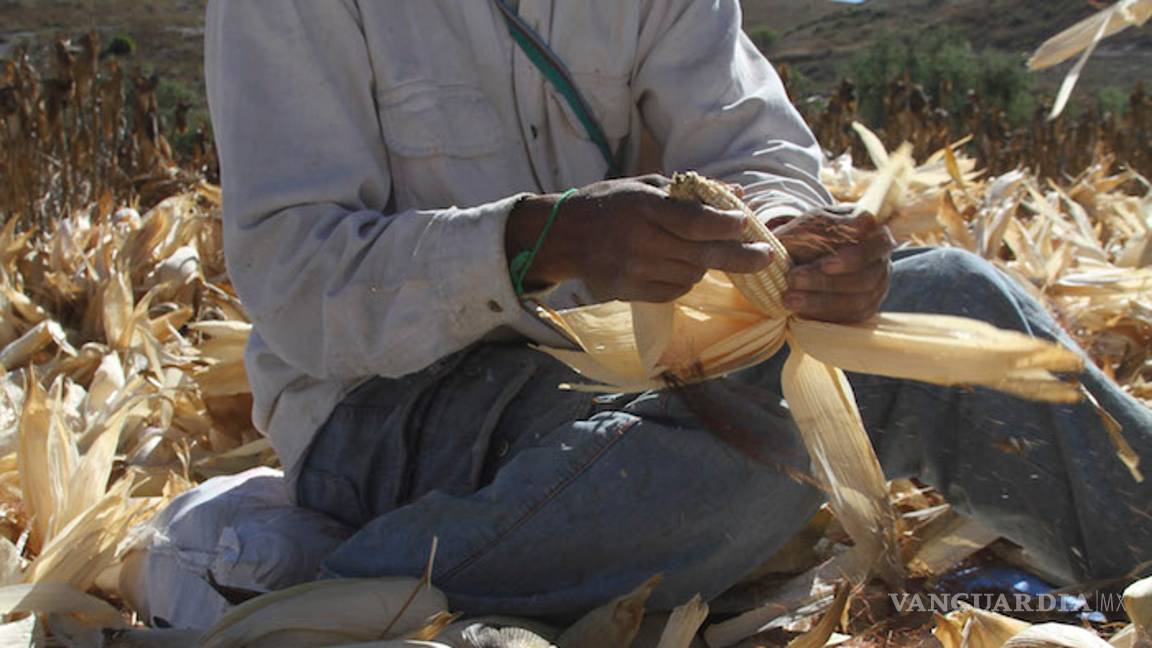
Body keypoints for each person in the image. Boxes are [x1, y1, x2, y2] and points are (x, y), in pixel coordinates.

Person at [202, 0, 1151, 620]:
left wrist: (790, 242)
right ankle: (325, 601)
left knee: (947, 297)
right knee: (696, 463)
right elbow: (294, 281)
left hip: (624, 381)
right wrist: (542, 240)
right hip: (387, 405)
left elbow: (755, 147)